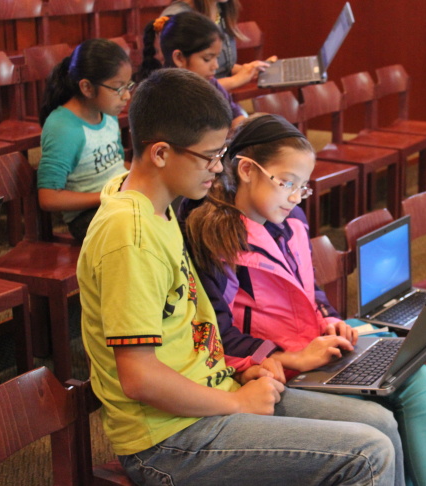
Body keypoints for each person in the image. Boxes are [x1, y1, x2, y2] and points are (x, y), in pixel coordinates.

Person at [78, 68, 403, 486]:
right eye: (209, 156)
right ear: (160, 153)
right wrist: (237, 404)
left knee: (381, 424)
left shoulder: (156, 206)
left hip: (211, 396)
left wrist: (239, 376)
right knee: (368, 453)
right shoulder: (130, 236)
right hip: (168, 440)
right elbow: (139, 377)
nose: (218, 169)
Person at [181, 114, 426, 486]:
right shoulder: (217, 237)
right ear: (246, 169)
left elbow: (308, 288)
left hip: (312, 344)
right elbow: (218, 332)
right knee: (386, 411)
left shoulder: (290, 219)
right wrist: (290, 356)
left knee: (416, 376)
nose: (295, 196)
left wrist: (327, 318)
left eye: (302, 187)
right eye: (287, 183)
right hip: (273, 368)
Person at [37, 39, 132, 242]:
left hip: (119, 200)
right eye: (118, 88)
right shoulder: (63, 128)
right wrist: (108, 195)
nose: (126, 96)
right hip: (88, 215)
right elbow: (49, 197)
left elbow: (114, 164)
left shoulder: (107, 114)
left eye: (128, 86)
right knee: (140, 226)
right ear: (87, 88)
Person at [138, 11, 246, 128]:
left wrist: (241, 125)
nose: (215, 66)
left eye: (217, 58)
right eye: (207, 58)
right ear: (179, 58)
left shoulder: (212, 84)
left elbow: (235, 114)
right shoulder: (162, 96)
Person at [162, 0, 274, 91]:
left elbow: (221, 67)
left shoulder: (220, 7)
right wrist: (236, 80)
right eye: (207, 58)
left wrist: (249, 71)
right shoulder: (177, 19)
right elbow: (181, 87)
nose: (214, 65)